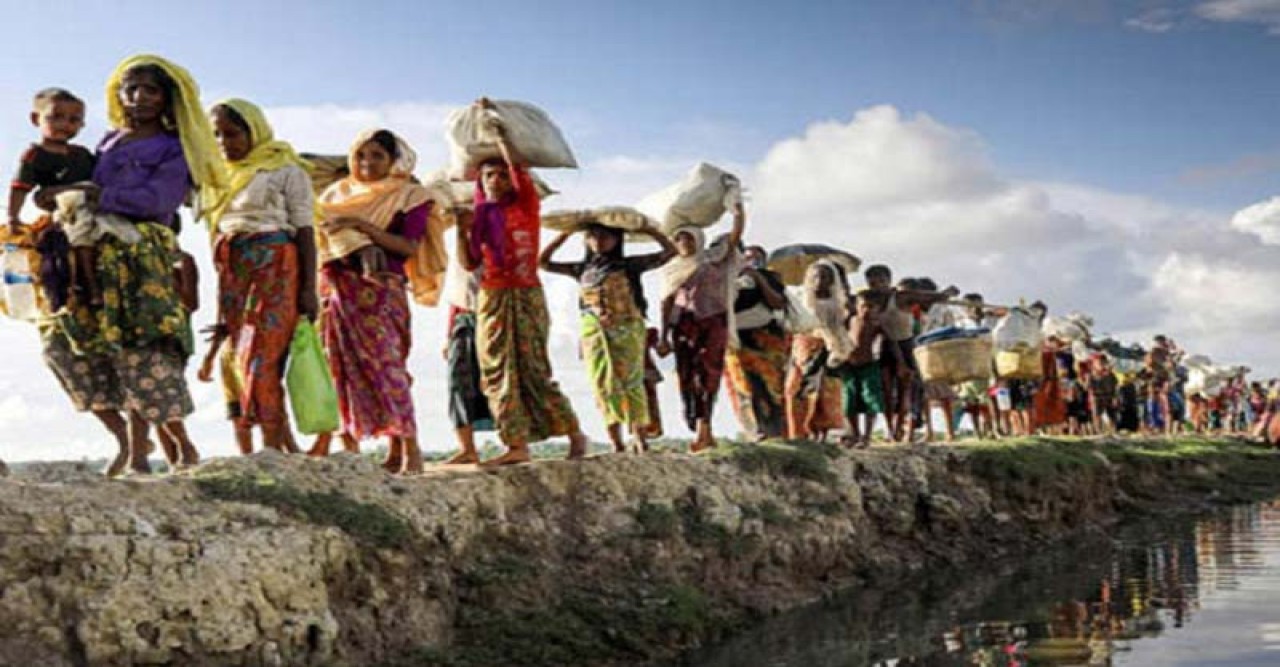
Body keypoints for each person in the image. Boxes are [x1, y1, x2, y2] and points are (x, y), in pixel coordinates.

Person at [46, 55, 222, 474]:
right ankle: (125, 441)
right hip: (93, 254)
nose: (139, 97)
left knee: (140, 349)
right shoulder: (108, 142)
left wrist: (96, 196)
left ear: (167, 99)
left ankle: (151, 453)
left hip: (142, 254)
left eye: (150, 90)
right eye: (131, 88)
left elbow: (158, 200)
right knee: (65, 342)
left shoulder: (174, 148)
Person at [461, 98, 589, 465]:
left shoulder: (525, 205)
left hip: (528, 293)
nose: (497, 180)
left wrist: (498, 132)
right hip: (493, 296)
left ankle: (574, 433)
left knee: (534, 366)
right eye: (489, 176)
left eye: (502, 174)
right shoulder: (481, 216)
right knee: (498, 369)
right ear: (480, 183)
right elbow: (471, 262)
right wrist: (460, 229)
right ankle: (516, 445)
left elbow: (519, 169)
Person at [311, 128, 440, 475]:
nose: (367, 163)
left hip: (382, 290)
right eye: (361, 155)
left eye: (377, 156)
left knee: (388, 368)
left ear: (393, 160)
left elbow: (408, 247)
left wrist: (360, 225)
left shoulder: (411, 195)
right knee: (341, 368)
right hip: (339, 290)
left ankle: (410, 450)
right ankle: (352, 450)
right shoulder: (334, 195)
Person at [204, 98, 317, 454]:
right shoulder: (216, 175)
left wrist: (309, 289)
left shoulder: (285, 169)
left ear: (254, 130)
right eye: (217, 136)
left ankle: (271, 446)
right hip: (233, 269)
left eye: (233, 134)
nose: (225, 143)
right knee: (238, 354)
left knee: (262, 356)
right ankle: (278, 445)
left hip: (275, 265)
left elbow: (304, 231)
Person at [541, 220, 676, 453]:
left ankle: (639, 437)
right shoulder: (582, 270)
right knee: (602, 384)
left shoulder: (629, 265)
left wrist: (651, 231)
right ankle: (616, 441)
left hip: (627, 330)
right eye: (593, 236)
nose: (599, 241)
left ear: (617, 240)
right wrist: (563, 235)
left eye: (606, 236)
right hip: (594, 333)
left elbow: (670, 252)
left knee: (632, 382)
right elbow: (543, 263)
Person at [658, 196, 747, 453]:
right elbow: (666, 303)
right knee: (686, 377)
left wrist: (738, 211)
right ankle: (696, 422)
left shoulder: (714, 260)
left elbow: (735, 235)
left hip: (712, 324)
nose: (684, 243)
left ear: (698, 240)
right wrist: (664, 337)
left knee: (708, 375)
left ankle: (704, 428)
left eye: (689, 239)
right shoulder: (672, 269)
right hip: (684, 327)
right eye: (680, 239)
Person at [8, 88, 95, 311]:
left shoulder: (82, 155)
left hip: (93, 206)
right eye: (55, 117)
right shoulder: (34, 155)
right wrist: (13, 216)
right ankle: (85, 285)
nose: (64, 124)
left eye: (74, 120)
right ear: (36, 119)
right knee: (70, 244)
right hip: (65, 212)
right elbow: (20, 188)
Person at [862, 264, 957, 441]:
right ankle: (891, 431)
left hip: (906, 346)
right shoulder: (871, 300)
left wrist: (949, 293)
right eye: (873, 283)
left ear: (889, 281)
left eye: (881, 282)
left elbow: (931, 298)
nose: (877, 286)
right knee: (887, 393)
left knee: (908, 391)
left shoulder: (901, 297)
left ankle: (904, 430)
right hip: (886, 346)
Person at [724, 243, 790, 441]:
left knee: (772, 386)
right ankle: (756, 430)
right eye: (748, 257)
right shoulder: (730, 280)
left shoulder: (771, 278)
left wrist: (759, 280)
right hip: (739, 340)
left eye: (757, 257)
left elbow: (777, 303)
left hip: (766, 340)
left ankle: (777, 431)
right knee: (745, 386)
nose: (752, 261)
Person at [785, 259, 852, 442]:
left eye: (825, 277)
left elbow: (842, 326)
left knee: (825, 393)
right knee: (796, 390)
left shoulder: (837, 303)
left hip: (829, 350)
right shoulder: (801, 299)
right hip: (803, 349)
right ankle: (799, 432)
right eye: (815, 276)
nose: (819, 280)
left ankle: (821, 432)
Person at [441, 245, 496, 465]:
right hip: (463, 321)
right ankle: (467, 448)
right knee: (458, 383)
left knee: (498, 383)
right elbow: (458, 296)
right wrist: (449, 333)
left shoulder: (496, 248)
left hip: (492, 318)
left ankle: (515, 444)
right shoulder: (459, 251)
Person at [841, 294, 904, 447]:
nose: (866, 310)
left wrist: (901, 362)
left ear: (878, 310)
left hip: (869, 365)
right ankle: (855, 433)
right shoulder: (850, 320)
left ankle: (867, 436)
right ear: (857, 307)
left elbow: (893, 343)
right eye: (863, 306)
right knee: (848, 401)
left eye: (871, 307)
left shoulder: (877, 325)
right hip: (849, 365)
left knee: (871, 399)